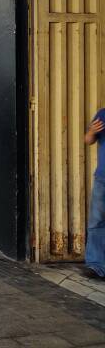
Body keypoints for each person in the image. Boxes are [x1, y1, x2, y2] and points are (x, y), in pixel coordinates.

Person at [85, 108, 105, 279]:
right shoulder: (103, 114)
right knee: (97, 221)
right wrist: (91, 131)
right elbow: (88, 140)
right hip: (102, 178)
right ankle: (96, 265)